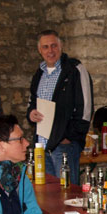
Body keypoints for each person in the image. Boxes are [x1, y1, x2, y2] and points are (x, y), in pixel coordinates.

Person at [27, 29, 93, 185]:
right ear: (40, 50)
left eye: (54, 46)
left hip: (64, 145)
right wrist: (31, 114)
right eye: (45, 47)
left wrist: (70, 137)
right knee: (46, 192)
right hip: (42, 146)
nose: (50, 51)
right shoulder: (39, 73)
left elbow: (86, 108)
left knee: (67, 192)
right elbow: (32, 102)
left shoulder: (75, 69)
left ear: (61, 46)